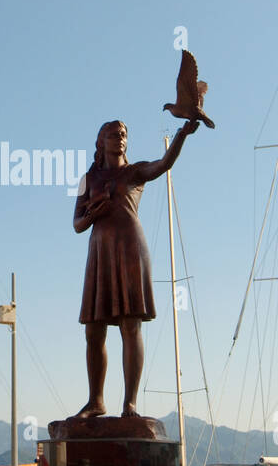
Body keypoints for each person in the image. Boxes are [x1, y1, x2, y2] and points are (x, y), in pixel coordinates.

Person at [72, 118, 198, 417]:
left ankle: (130, 403)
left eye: (124, 134)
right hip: (100, 252)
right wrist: (94, 213)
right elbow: (77, 224)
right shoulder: (87, 179)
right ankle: (96, 401)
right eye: (113, 134)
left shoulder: (134, 172)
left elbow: (164, 163)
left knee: (130, 325)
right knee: (93, 330)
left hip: (130, 248)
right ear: (101, 141)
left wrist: (182, 134)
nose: (120, 138)